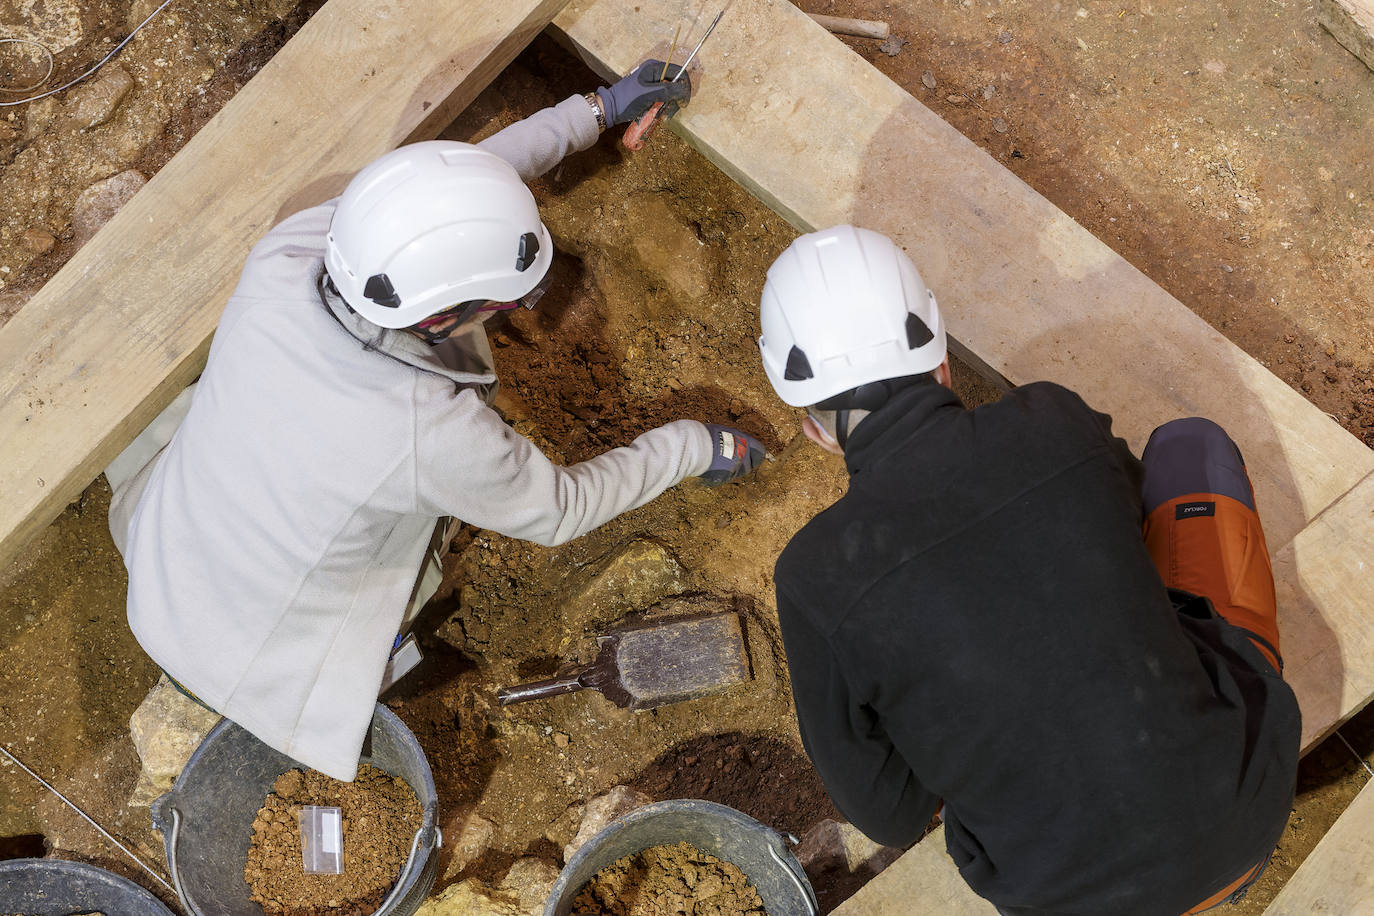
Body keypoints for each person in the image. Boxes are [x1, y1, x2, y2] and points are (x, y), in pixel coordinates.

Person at [104, 61, 765, 782]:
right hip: (245, 649)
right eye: (507, 302)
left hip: (168, 554)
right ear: (446, 317)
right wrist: (692, 445)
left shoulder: (296, 251)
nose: (516, 312)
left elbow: (448, 193)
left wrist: (595, 110)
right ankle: (370, 661)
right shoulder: (424, 429)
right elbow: (560, 508)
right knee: (411, 561)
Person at [757, 225, 1300, 914]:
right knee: (1192, 450)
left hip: (1067, 899)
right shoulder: (1054, 418)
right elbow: (1132, 530)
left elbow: (890, 814)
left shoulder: (814, 577)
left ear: (813, 425)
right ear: (942, 359)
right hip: (1243, 817)